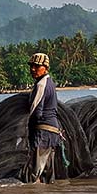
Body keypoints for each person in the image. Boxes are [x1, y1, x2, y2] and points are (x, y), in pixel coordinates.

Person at [27, 52, 61, 183]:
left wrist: (27, 129)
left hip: (43, 132)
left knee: (36, 172)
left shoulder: (41, 84)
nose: (33, 69)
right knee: (47, 173)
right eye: (32, 66)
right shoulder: (50, 83)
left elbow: (36, 111)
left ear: (45, 68)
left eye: (37, 66)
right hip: (52, 132)